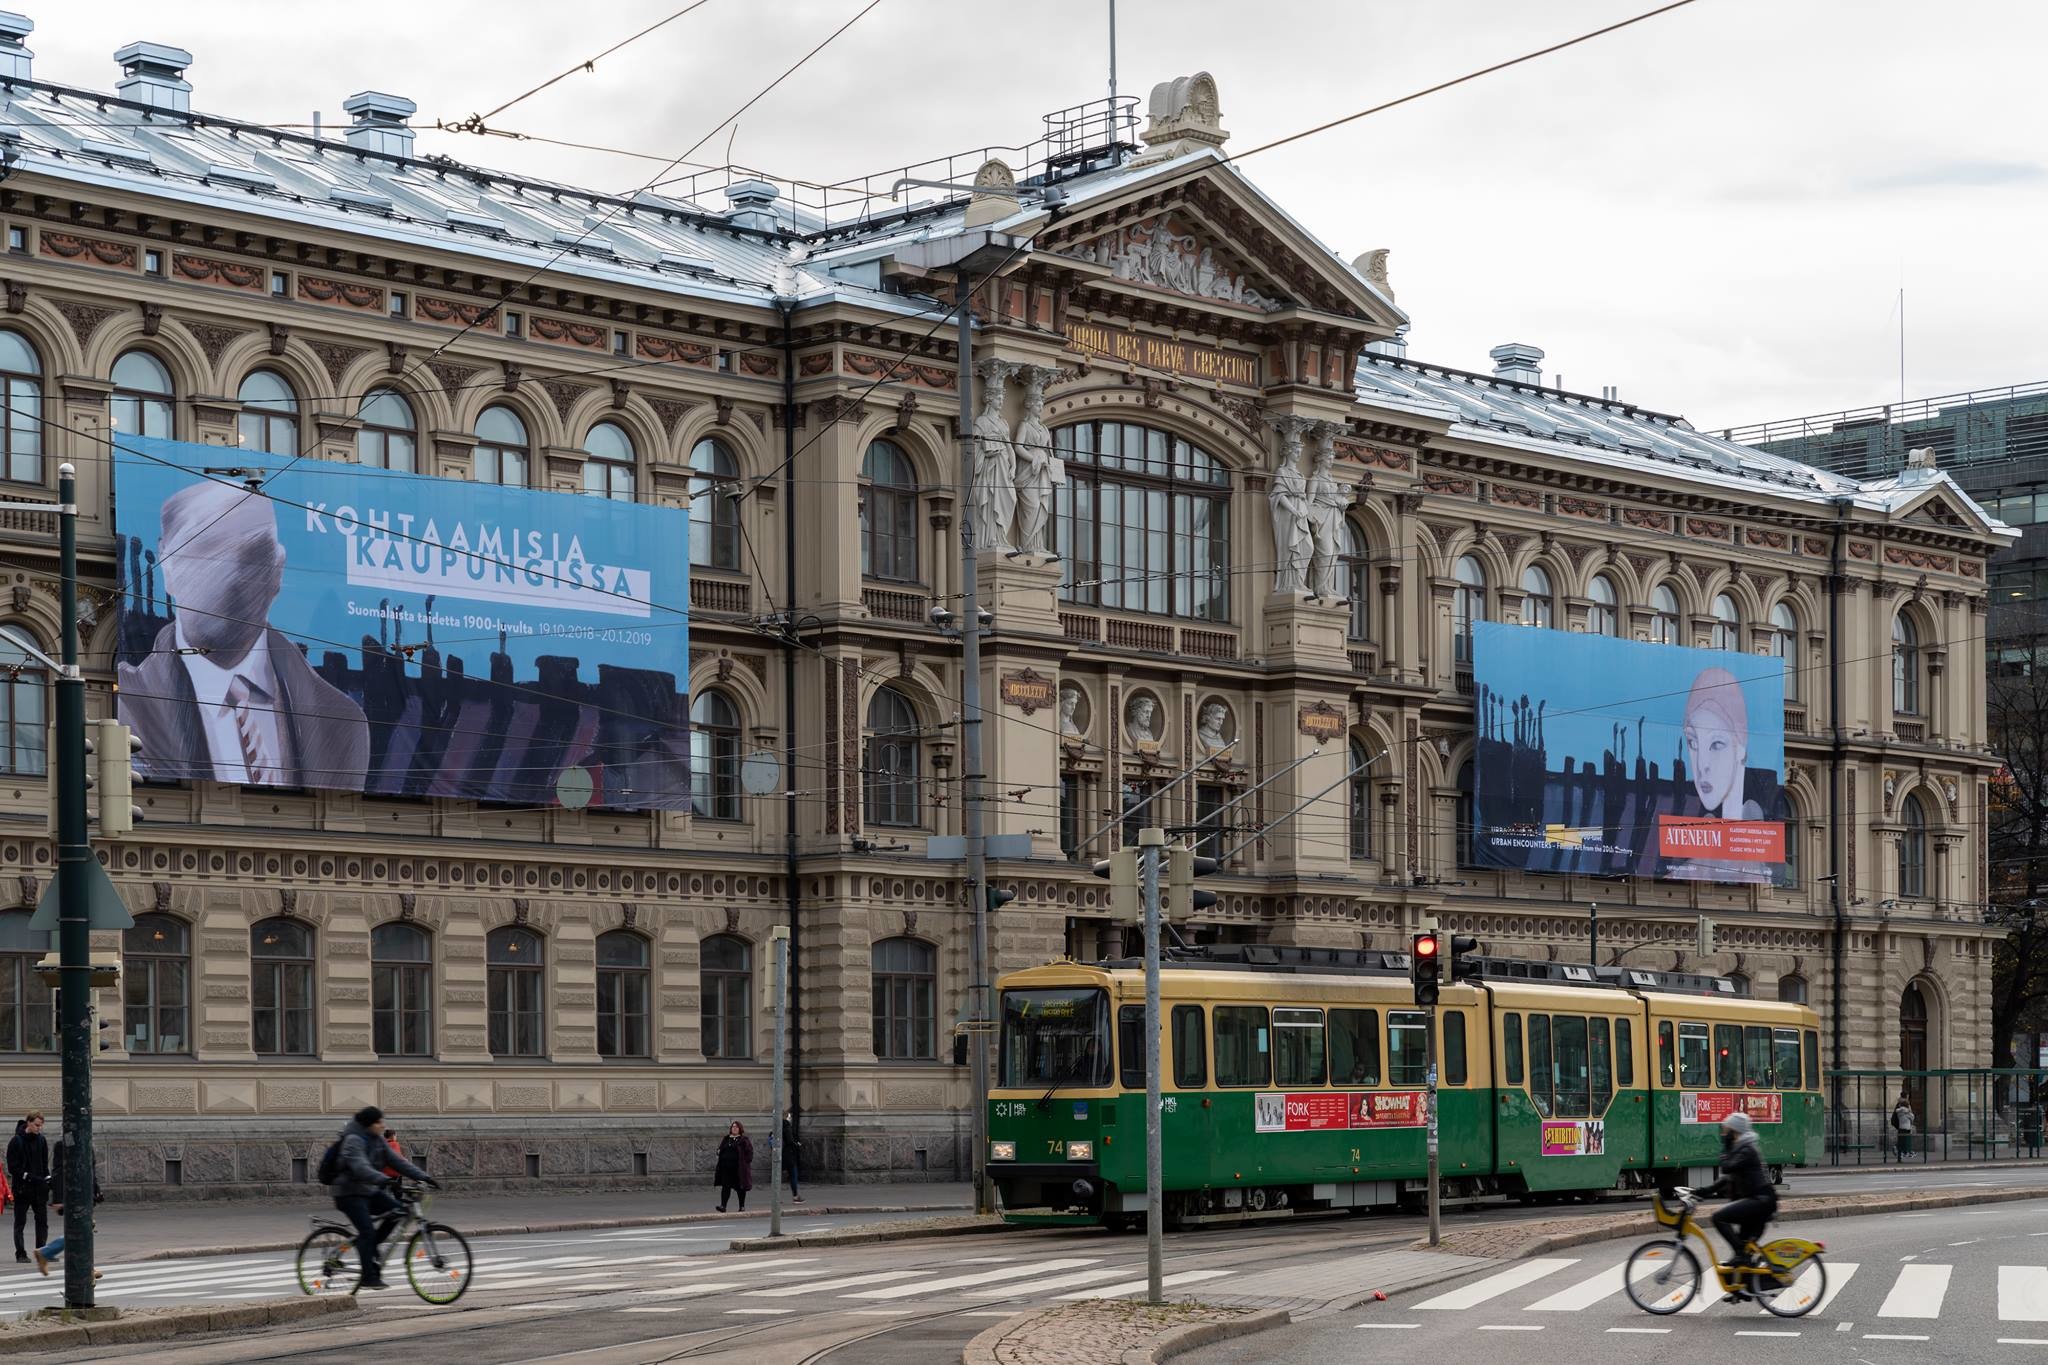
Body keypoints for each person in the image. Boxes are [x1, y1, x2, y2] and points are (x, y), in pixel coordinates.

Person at [119, 481, 370, 787]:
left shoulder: (342, 721)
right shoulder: (126, 707)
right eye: (207, 550)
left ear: (277, 570)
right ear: (166, 561)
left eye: (252, 555)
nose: (230, 576)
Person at [327, 1106, 435, 1290]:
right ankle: (368, 1277)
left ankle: (369, 1248)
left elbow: (397, 1161)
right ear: (370, 1124)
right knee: (367, 1231)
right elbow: (360, 1167)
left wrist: (423, 1176)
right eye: (379, 1122)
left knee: (399, 1212)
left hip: (368, 1190)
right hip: (348, 1193)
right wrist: (385, 1180)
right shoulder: (353, 1140)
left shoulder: (378, 1140)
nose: (382, 1125)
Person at [1703, 1112, 1777, 1302]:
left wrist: (1725, 1147)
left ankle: (1743, 1257)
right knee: (1740, 1253)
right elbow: (1729, 1178)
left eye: (1726, 1128)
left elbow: (1727, 1167)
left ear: (1734, 1130)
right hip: (1759, 1202)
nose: (1723, 1131)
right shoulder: (1742, 1147)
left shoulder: (1746, 1150)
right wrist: (1702, 1192)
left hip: (1760, 1202)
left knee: (1719, 1218)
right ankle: (1740, 1290)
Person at [32, 1136, 101, 1280]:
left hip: (86, 1195)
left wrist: (96, 1191)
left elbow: (91, 1170)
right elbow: (58, 1172)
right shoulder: (62, 1144)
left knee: (80, 1229)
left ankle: (45, 1253)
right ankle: (86, 1268)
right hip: (73, 1195)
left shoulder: (87, 1141)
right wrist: (58, 1199)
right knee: (82, 1228)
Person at [7, 1111, 47, 1264]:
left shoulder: (41, 1140)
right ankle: (20, 1253)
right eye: (37, 1125)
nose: (39, 1128)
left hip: (39, 1188)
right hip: (22, 1188)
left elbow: (44, 1165)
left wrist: (47, 1180)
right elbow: (13, 1168)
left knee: (42, 1221)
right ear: (29, 1123)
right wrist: (27, 1176)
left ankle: (41, 1252)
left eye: (41, 1125)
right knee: (20, 1222)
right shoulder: (16, 1141)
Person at [715, 1120, 753, 1213]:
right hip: (726, 1168)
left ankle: (742, 1206)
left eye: (736, 1127)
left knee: (740, 1187)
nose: (734, 1128)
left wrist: (745, 1162)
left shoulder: (744, 1140)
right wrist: (719, 1152)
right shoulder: (726, 1138)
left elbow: (749, 1153)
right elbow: (720, 1148)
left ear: (740, 1129)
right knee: (725, 1187)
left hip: (738, 1169)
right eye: (733, 1127)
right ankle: (723, 1206)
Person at [780, 1110, 803, 1204]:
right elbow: (790, 1140)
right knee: (793, 1174)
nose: (790, 1118)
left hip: (779, 1153)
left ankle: (777, 1197)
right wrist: (797, 1144)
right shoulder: (786, 1125)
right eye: (789, 1116)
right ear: (786, 1117)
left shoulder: (777, 1125)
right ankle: (795, 1196)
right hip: (788, 1154)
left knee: (777, 1176)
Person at [1893, 1093, 1917, 1159]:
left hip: (1901, 1127)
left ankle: (1901, 1151)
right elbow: (1912, 1117)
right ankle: (1906, 1152)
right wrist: (1909, 1111)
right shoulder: (1907, 1112)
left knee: (1901, 1140)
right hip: (1907, 1127)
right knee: (1906, 1140)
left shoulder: (1899, 1111)